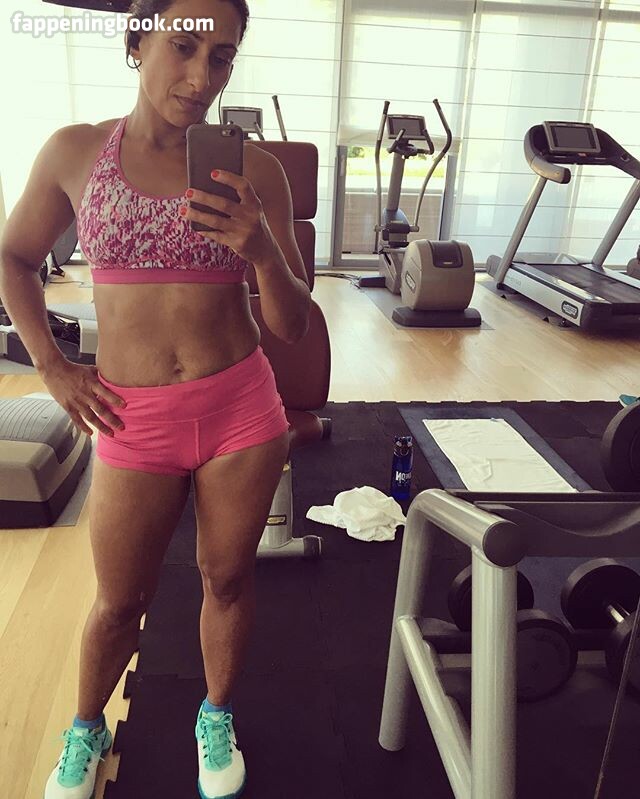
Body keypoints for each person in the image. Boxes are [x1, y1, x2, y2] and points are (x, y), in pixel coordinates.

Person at [0, 0, 311, 797]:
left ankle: (216, 712)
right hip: (132, 416)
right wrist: (52, 365)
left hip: (240, 407)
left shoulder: (256, 170)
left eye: (222, 57)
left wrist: (262, 251)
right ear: (138, 40)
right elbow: (13, 256)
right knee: (118, 601)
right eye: (184, 46)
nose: (202, 76)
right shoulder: (76, 152)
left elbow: (291, 322)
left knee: (227, 578)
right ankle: (86, 726)